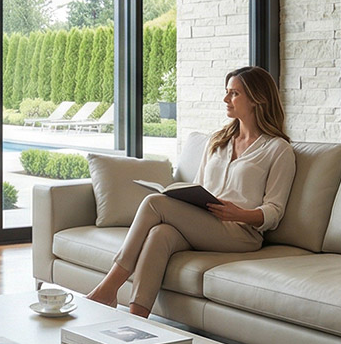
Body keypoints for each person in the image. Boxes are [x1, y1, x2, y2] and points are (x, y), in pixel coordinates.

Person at [84, 66, 296, 318]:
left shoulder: (278, 149)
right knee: (160, 234)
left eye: (234, 94)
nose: (226, 99)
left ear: (256, 100)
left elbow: (274, 211)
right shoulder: (218, 141)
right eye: (226, 92)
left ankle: (108, 287)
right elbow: (200, 185)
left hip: (241, 233)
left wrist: (239, 213)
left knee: (154, 203)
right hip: (205, 223)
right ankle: (136, 319)